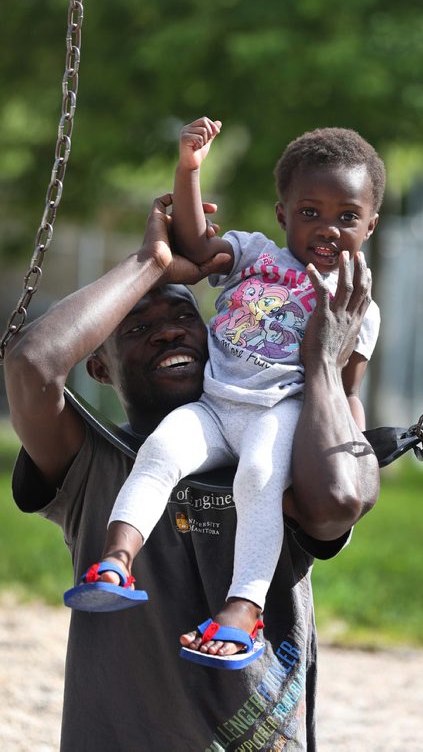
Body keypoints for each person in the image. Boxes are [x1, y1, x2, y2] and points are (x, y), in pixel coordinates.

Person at [5, 190, 380, 750]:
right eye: (136, 328)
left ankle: (240, 613)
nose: (169, 330)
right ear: (99, 368)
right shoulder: (90, 461)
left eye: (185, 314)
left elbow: (340, 500)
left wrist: (323, 364)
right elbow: (31, 362)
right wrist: (151, 263)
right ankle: (115, 565)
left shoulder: (289, 451)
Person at [67, 117, 385, 671]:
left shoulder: (358, 306)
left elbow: (344, 391)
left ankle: (243, 608)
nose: (328, 228)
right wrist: (189, 169)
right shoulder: (258, 254)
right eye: (310, 213)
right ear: (284, 214)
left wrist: (352, 454)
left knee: (258, 477)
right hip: (214, 404)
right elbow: (193, 242)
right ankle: (116, 561)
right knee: (160, 452)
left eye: (347, 217)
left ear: (371, 225)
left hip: (280, 413)